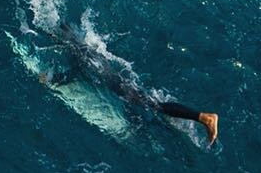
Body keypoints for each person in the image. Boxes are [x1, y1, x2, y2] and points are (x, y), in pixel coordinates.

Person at [44, 25, 218, 145]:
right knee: (147, 108)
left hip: (121, 89)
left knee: (154, 106)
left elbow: (76, 74)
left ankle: (203, 117)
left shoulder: (78, 56)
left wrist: (52, 80)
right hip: (121, 83)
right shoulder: (86, 49)